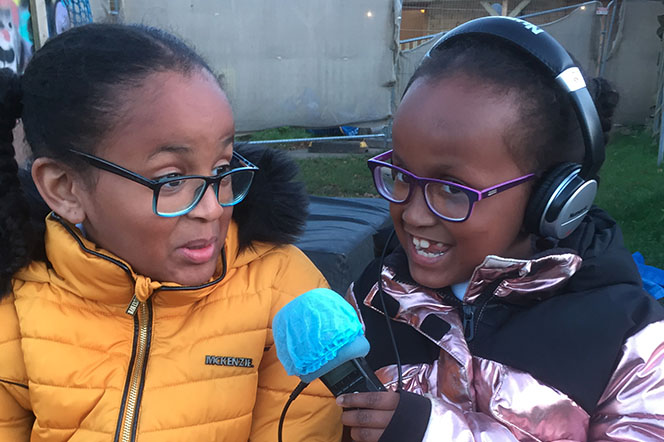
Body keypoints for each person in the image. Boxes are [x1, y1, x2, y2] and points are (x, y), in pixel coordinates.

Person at [0, 23, 342, 441]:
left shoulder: (283, 291)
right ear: (64, 187)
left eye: (222, 169)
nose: (214, 209)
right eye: (171, 180)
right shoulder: (15, 309)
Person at [338, 17, 664, 441]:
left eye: (451, 190)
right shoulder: (375, 295)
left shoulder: (629, 341)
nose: (413, 214)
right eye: (400, 174)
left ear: (552, 198)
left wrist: (435, 434)